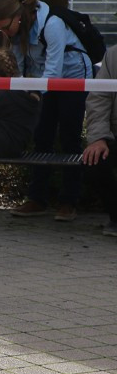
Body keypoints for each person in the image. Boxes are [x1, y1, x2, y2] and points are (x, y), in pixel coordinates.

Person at [0, 0, 94, 222]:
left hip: (72, 78)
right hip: (42, 82)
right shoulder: (16, 33)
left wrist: (34, 96)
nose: (5, 34)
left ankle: (69, 201)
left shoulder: (53, 24)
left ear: (17, 18)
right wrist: (17, 93)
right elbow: (17, 70)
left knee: (70, 138)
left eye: (5, 27)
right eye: (0, 31)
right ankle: (37, 198)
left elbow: (53, 72)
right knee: (41, 138)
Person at [82, 45, 117, 237]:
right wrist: (98, 138)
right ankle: (115, 217)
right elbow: (99, 99)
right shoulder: (113, 55)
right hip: (114, 135)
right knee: (94, 160)